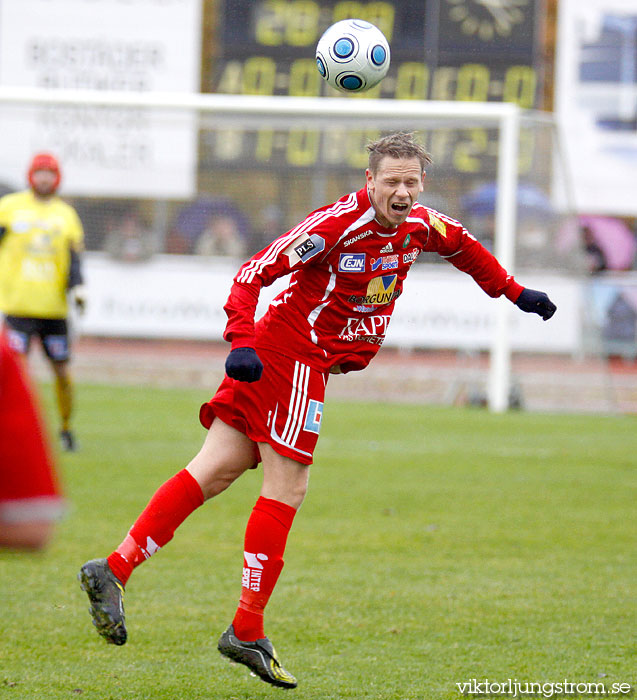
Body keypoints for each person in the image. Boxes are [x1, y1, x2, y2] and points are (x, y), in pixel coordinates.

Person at [78, 132, 556, 689]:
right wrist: (241, 342)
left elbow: (466, 248)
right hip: (291, 353)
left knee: (213, 469)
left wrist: (515, 292)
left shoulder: (422, 225)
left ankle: (113, 569)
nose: (401, 192)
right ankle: (246, 628)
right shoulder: (335, 225)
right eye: (391, 181)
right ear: (370, 181)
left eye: (411, 181)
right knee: (289, 486)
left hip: (307, 359)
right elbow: (254, 271)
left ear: (420, 183)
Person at [0, 153, 86, 452]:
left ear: (57, 177)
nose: (45, 178)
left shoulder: (66, 215)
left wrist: (78, 288)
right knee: (15, 378)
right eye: (40, 172)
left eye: (50, 173)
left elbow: (74, 260)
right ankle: (12, 432)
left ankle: (65, 428)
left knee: (62, 373)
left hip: (53, 311)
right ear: (30, 175)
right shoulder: (9, 208)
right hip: (18, 308)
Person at [0, 331, 65, 550]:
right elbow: (31, 527)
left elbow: (31, 525)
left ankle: (67, 428)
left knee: (60, 368)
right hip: (21, 314)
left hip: (50, 315)